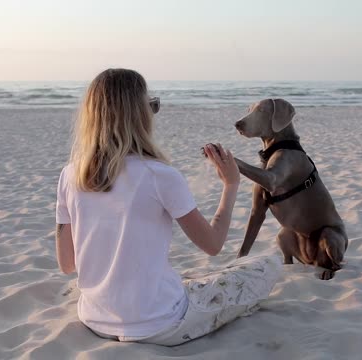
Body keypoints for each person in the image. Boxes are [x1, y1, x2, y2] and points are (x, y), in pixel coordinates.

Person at [55, 68, 281, 346]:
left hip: (93, 318)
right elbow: (212, 245)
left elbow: (67, 264)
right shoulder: (159, 175)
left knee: (184, 279)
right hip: (160, 323)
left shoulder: (70, 175)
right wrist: (231, 185)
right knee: (267, 264)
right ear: (139, 117)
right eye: (152, 106)